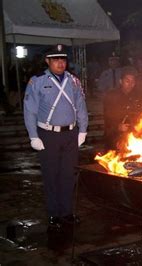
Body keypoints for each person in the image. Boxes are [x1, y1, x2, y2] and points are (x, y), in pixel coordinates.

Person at [23, 44, 88, 231]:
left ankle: (66, 212)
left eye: (63, 59)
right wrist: (33, 136)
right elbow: (30, 111)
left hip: (70, 135)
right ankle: (53, 213)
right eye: (56, 59)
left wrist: (83, 129)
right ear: (48, 61)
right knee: (51, 175)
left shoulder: (73, 81)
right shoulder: (37, 81)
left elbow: (80, 106)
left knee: (69, 175)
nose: (60, 63)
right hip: (47, 135)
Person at [103, 66, 142, 150]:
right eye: (127, 81)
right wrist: (118, 126)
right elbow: (107, 118)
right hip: (114, 136)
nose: (130, 84)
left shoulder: (137, 96)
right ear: (121, 81)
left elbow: (139, 115)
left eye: (133, 81)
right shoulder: (112, 95)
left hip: (131, 136)